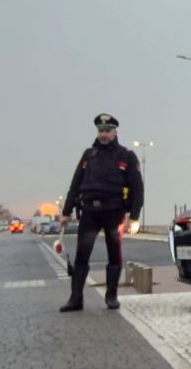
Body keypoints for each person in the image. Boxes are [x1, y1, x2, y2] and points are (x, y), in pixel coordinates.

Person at [59, 113, 144, 312]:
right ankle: (76, 299)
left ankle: (112, 296)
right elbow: (75, 184)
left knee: (114, 253)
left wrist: (134, 217)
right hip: (90, 211)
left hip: (114, 212)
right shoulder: (88, 155)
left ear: (115, 132)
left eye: (108, 131)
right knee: (82, 254)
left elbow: (138, 189)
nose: (104, 134)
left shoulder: (126, 156)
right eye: (101, 131)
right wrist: (66, 212)